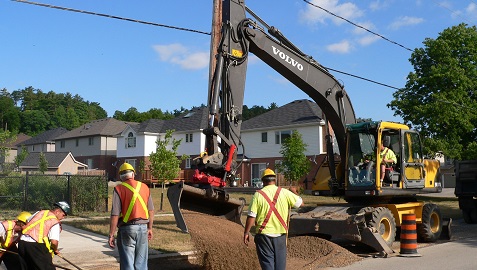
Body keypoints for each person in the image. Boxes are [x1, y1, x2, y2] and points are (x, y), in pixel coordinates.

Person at [243, 168, 303, 270]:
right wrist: (295, 193)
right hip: (280, 236)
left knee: (268, 265)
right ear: (275, 180)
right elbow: (301, 203)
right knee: (280, 267)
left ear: (263, 181)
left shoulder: (258, 195)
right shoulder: (284, 192)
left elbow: (251, 216)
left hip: (264, 237)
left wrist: (246, 232)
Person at [109, 162, 154, 270]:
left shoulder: (119, 189)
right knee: (141, 264)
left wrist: (111, 234)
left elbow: (115, 214)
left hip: (127, 229)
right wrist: (150, 228)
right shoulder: (145, 187)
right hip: (143, 228)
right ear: (133, 174)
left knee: (127, 264)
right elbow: (151, 210)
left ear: (120, 176)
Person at [18, 201, 70, 270]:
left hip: (22, 243)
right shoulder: (54, 222)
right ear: (57, 211)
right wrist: (55, 249)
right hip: (35, 246)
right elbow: (54, 242)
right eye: (63, 215)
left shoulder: (39, 212)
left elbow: (27, 221)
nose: (63, 217)